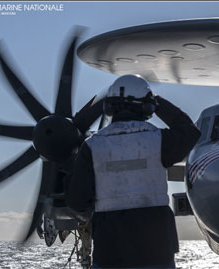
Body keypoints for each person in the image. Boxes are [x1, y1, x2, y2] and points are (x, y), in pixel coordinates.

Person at [66, 74, 201, 268]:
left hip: (110, 250)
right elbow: (189, 131)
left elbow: (77, 200)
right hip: (156, 249)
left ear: (109, 107)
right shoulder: (159, 140)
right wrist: (157, 101)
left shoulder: (93, 147)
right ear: (147, 106)